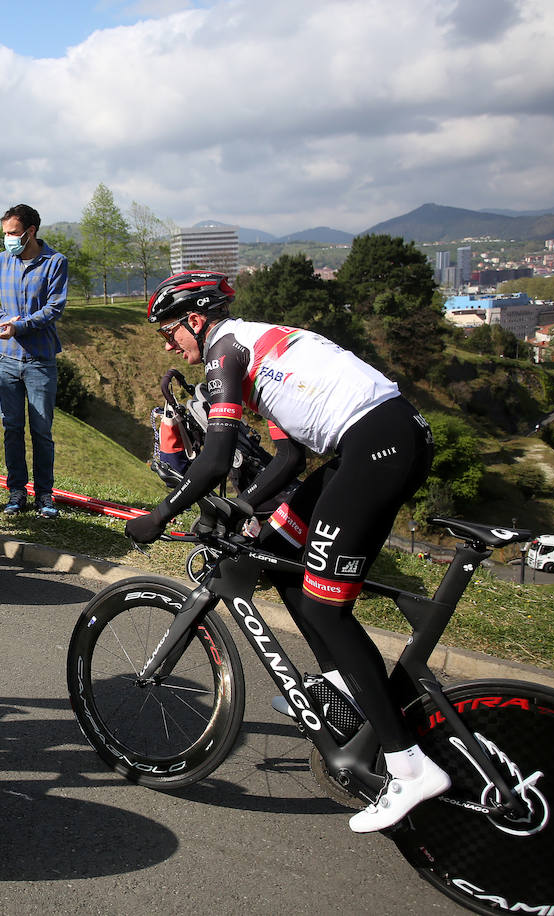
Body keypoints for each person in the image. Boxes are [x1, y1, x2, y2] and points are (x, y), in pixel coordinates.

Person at [123, 270, 448, 834]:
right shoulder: (257, 348)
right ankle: (342, 684)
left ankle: (409, 765)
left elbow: (216, 457)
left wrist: (158, 515)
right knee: (275, 550)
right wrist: (245, 506)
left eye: (168, 331)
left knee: (326, 608)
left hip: (376, 444)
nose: (168, 345)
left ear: (194, 320)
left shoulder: (225, 350)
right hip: (380, 439)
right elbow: (290, 458)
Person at [0, 203, 67, 518]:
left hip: (39, 361)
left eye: (13, 233)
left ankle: (45, 494)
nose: (8, 239)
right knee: (12, 428)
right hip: (5, 359)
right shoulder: (0, 261)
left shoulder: (55, 262)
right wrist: (4, 320)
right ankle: (16, 490)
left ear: (31, 232)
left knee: (42, 431)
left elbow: (54, 308)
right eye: (5, 233)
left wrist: (20, 326)